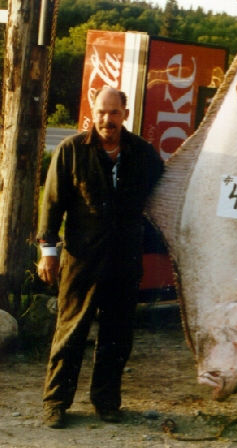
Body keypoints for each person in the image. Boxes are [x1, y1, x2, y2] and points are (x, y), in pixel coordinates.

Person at [37, 86, 163, 429]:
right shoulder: (71, 151)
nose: (108, 120)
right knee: (70, 334)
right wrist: (48, 252)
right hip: (82, 260)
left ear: (126, 114)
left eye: (115, 113)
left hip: (124, 262)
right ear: (93, 112)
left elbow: (163, 197)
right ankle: (56, 403)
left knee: (117, 335)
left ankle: (106, 401)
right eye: (102, 113)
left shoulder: (142, 154)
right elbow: (51, 205)